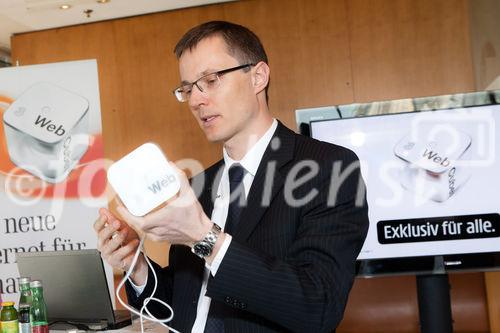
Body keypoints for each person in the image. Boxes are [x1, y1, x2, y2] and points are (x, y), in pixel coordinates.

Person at [94, 21, 369, 333]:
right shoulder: (198, 186)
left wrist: (204, 237)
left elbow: (318, 306)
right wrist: (137, 265)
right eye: (187, 89)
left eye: (210, 80)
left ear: (258, 76)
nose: (196, 101)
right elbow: (184, 307)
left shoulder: (328, 168)